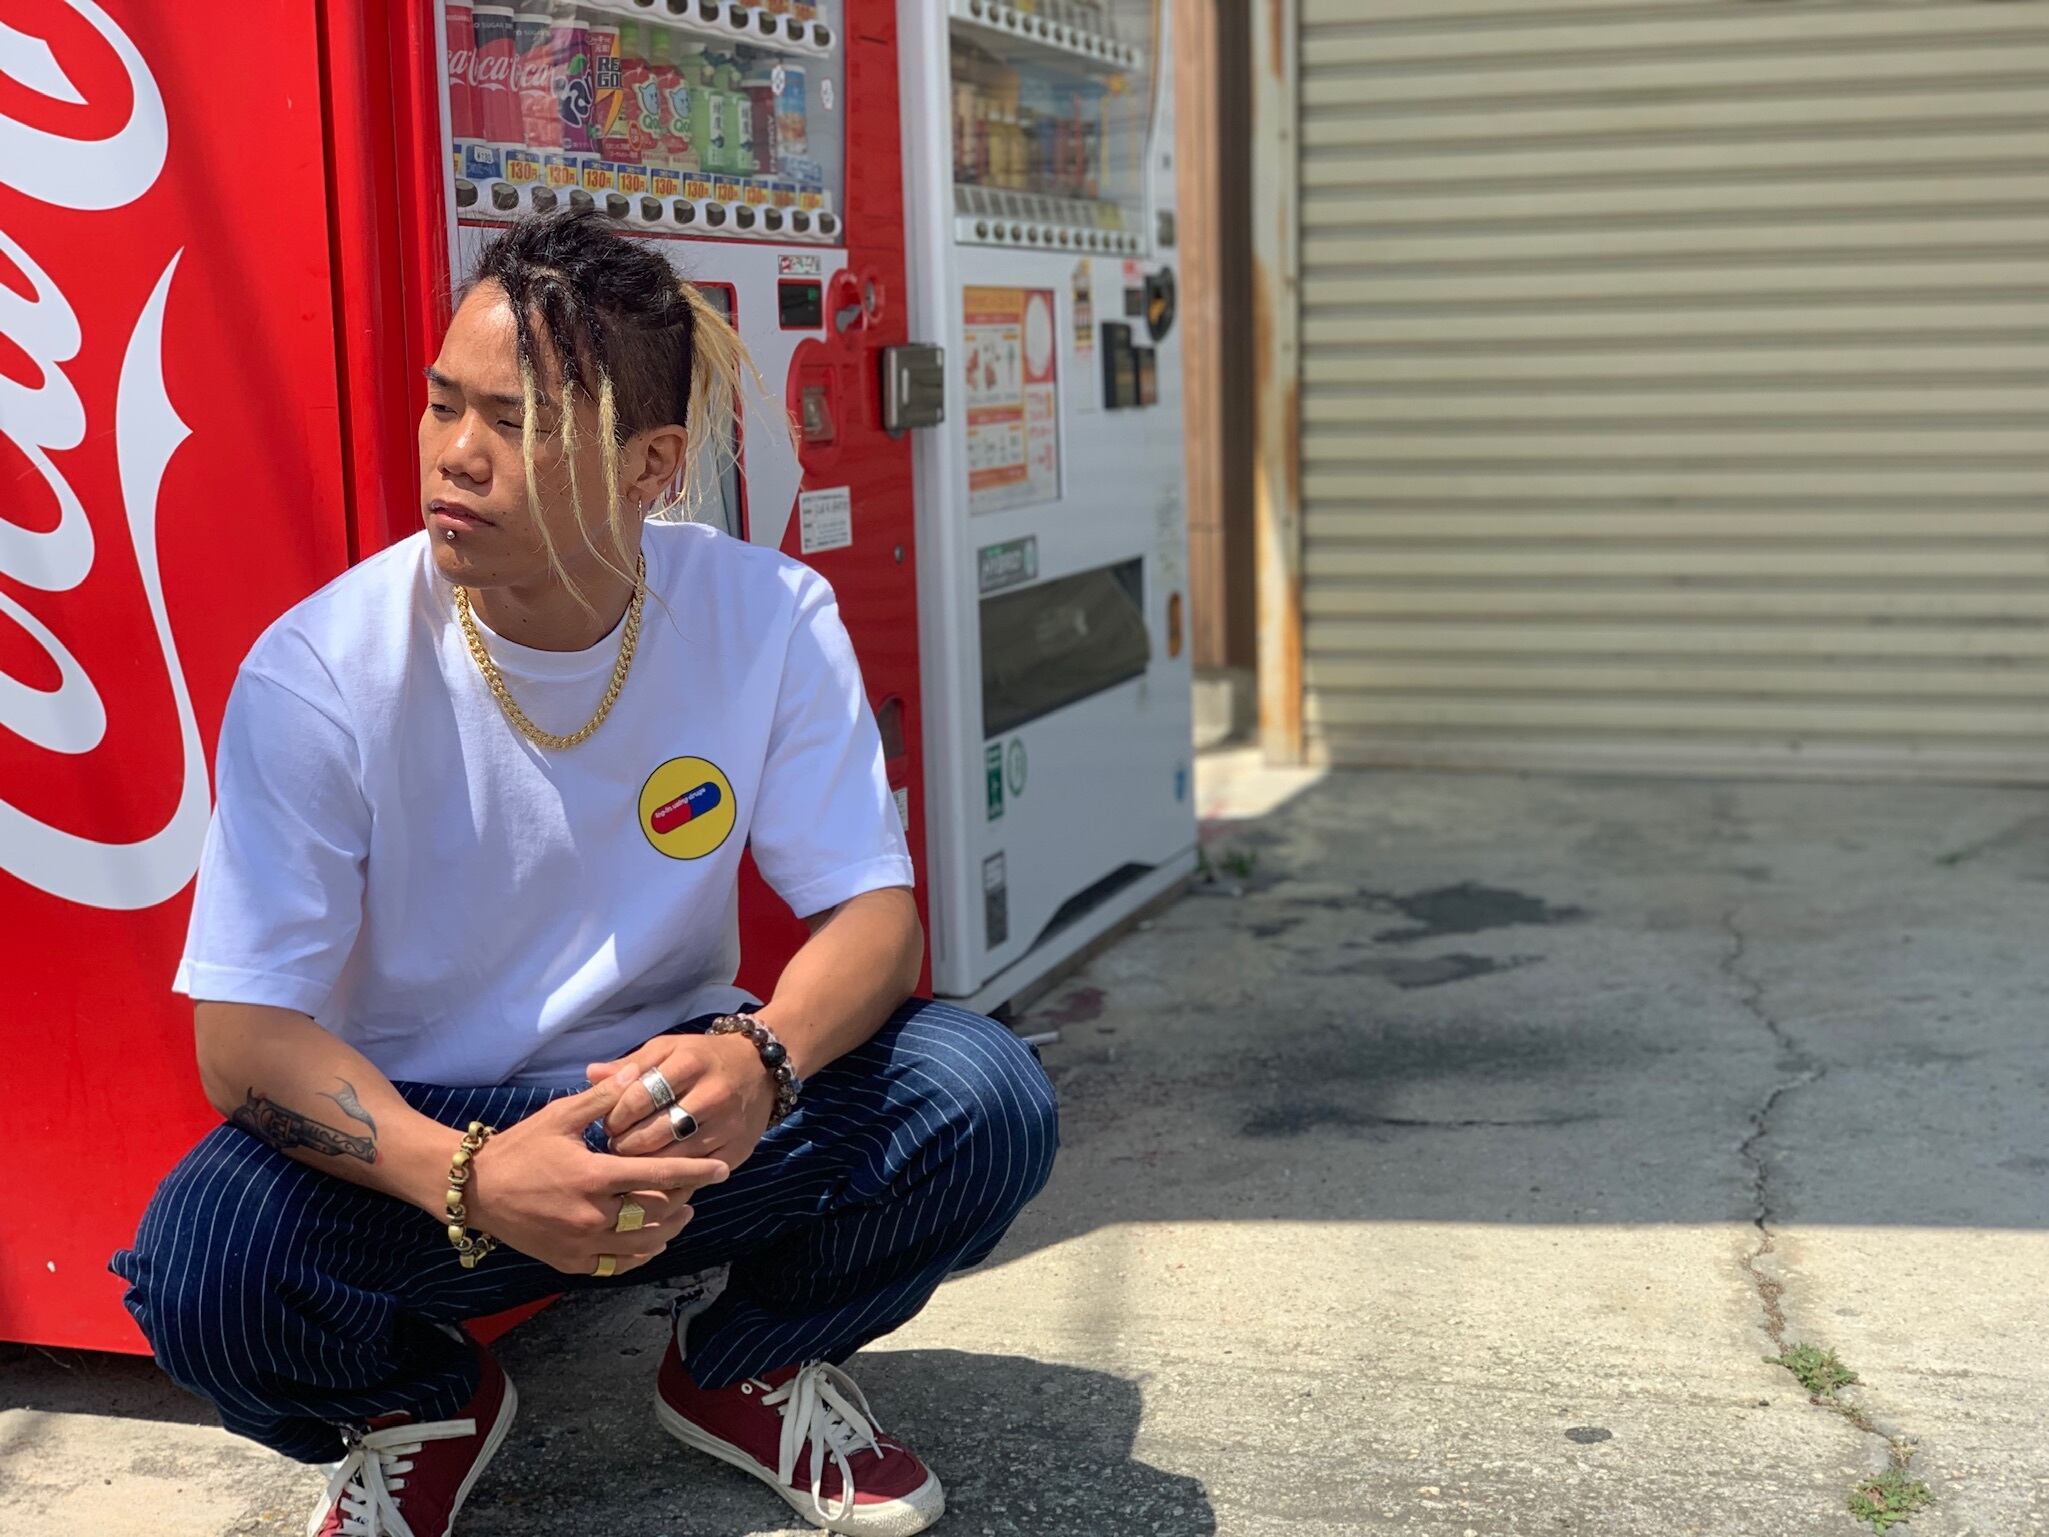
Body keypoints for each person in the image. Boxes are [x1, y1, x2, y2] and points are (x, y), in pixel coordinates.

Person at [110, 209, 1058, 1537]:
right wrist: (471, 1176)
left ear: (650, 464)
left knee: (982, 1095)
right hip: (432, 1134)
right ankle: (418, 1405)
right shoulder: (320, 669)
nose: (455, 454)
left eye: (515, 422)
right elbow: (243, 1036)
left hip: (677, 1098)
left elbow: (873, 916)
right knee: (203, 1267)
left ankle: (742, 1364)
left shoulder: (764, 616)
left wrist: (761, 1057)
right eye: (443, 404)